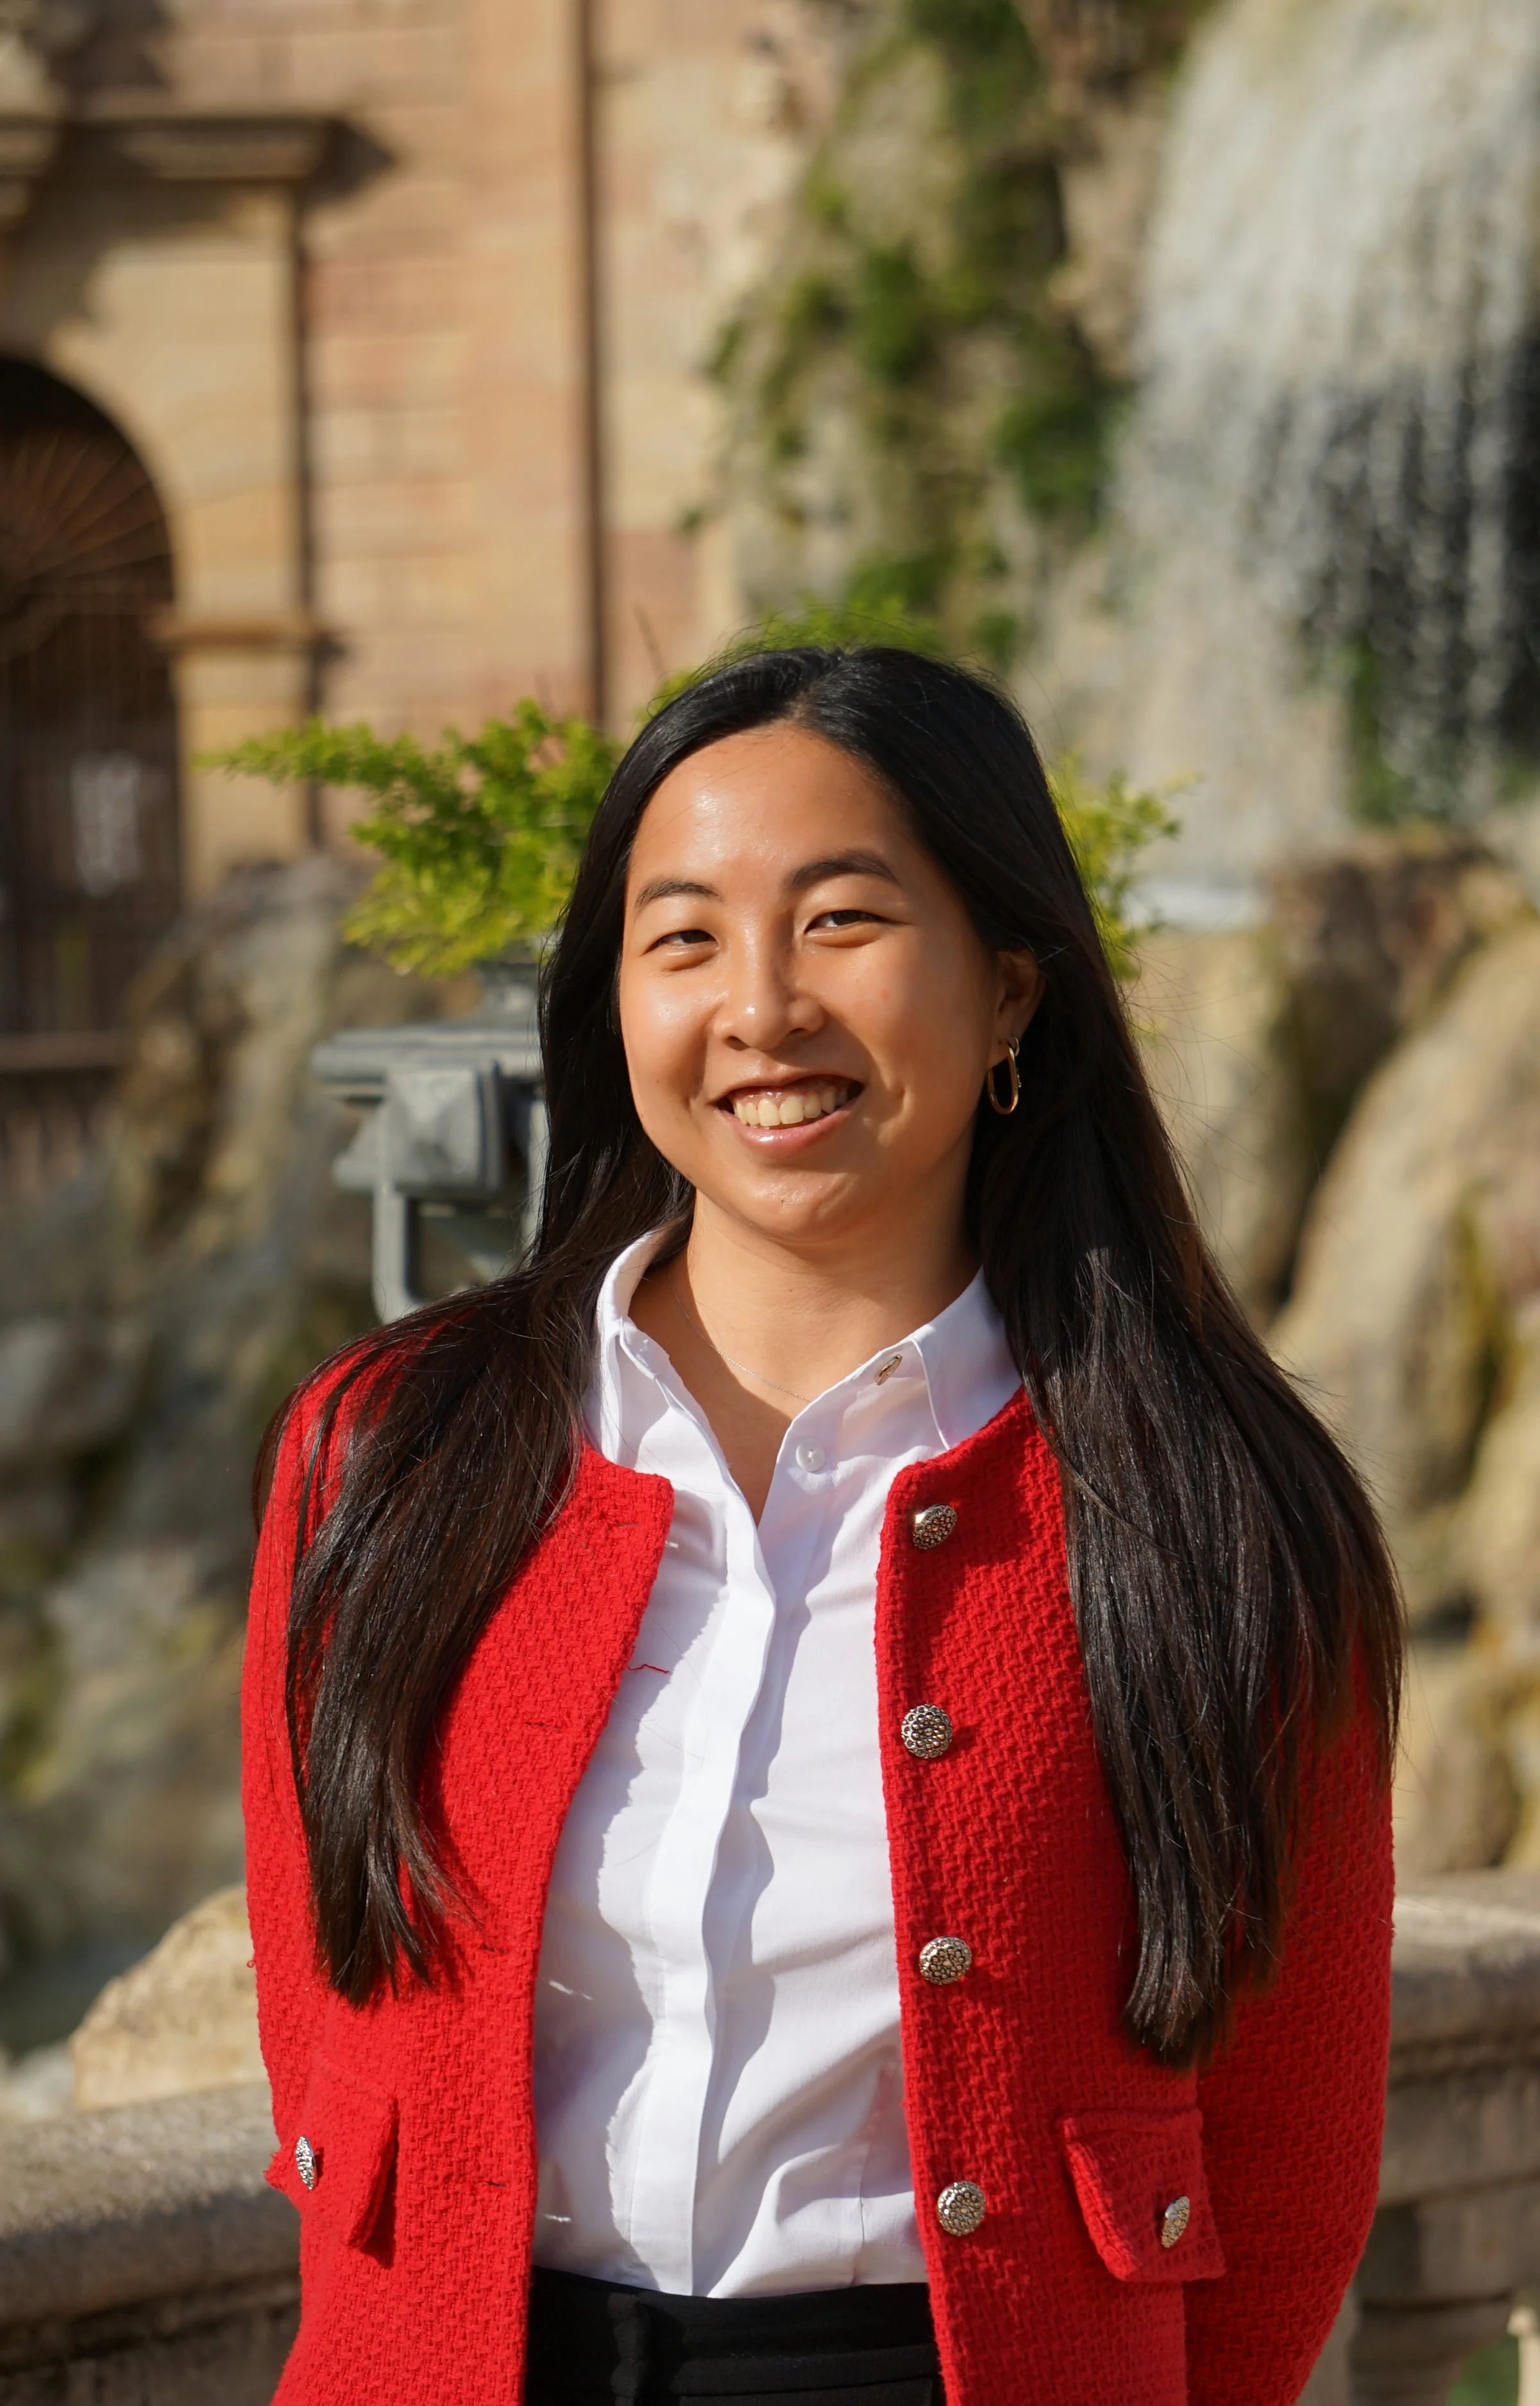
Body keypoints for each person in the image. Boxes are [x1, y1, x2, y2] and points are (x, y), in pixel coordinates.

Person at [243, 645, 1402, 2406]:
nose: (760, 1007)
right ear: (613, 1001)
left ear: (1010, 986)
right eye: (683, 936)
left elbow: (1288, 2156)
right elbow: (321, 2005)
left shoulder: (1212, 1510)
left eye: (842, 920)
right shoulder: (387, 1457)